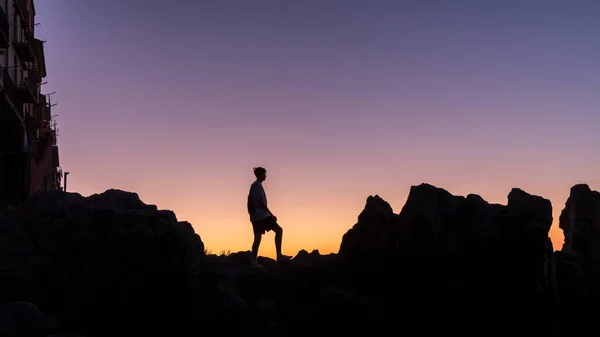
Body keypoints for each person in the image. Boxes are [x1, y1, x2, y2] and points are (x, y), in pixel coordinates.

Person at [247, 166, 291, 266]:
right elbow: (261, 204)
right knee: (277, 231)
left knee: (258, 238)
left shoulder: (257, 186)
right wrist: (271, 215)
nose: (265, 176)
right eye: (264, 174)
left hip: (258, 216)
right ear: (260, 175)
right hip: (260, 216)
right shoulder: (256, 186)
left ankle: (255, 261)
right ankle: (278, 256)